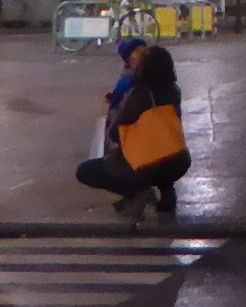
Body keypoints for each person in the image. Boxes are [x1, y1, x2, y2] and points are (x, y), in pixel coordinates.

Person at [76, 43, 189, 219]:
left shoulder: (141, 94)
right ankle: (167, 197)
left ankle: (138, 191)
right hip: (178, 160)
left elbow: (117, 132)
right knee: (161, 149)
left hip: (146, 164)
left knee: (86, 171)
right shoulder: (174, 91)